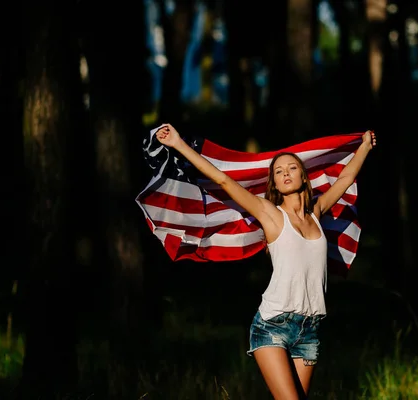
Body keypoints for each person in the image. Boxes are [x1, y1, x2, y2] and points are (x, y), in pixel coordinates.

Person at [155, 123, 376, 399]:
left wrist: (365, 146)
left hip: (310, 328)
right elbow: (224, 180)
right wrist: (178, 144)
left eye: (292, 168)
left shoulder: (317, 213)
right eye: (279, 171)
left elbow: (344, 180)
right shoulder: (270, 214)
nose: (285, 173)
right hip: (273, 326)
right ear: (273, 182)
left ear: (304, 177)